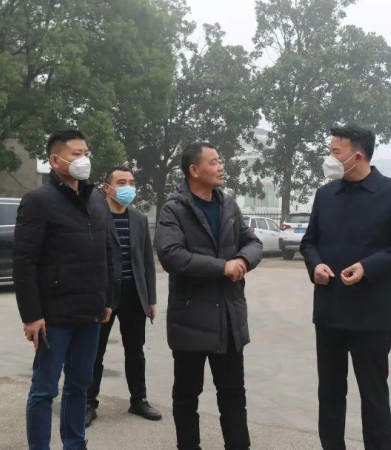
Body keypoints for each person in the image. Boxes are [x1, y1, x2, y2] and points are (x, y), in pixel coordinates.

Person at [300, 125, 391, 450]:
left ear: (357, 156)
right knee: (329, 392)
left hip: (371, 316)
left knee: (373, 394)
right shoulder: (326, 195)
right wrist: (316, 265)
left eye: (335, 152)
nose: (330, 158)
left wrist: (368, 267)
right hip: (329, 312)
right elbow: (309, 242)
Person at [155, 142, 263, 450]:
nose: (220, 167)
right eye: (213, 162)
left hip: (229, 318)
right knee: (187, 395)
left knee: (233, 394)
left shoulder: (228, 205)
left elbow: (252, 242)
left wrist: (242, 260)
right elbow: (171, 255)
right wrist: (221, 267)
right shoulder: (174, 209)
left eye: (219, 161)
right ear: (194, 170)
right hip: (191, 318)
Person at [13, 130, 115, 450]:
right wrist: (31, 315)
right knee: (44, 390)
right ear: (55, 161)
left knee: (79, 386)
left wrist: (106, 299)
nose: (83, 159)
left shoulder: (95, 198)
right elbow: (24, 261)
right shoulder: (38, 201)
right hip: (54, 316)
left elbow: (105, 251)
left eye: (86, 152)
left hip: (90, 312)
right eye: (75, 154)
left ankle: (75, 443)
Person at [86, 166, 162, 427]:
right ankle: (88, 403)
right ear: (107, 188)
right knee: (95, 351)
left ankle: (138, 400)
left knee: (136, 350)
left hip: (134, 294)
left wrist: (150, 298)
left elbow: (147, 262)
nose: (128, 187)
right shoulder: (95, 216)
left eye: (131, 182)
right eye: (121, 182)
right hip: (105, 295)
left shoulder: (139, 219)